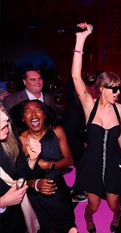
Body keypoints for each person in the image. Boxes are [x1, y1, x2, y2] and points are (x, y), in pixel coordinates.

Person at [71, 23, 121, 233]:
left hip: (114, 163)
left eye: (119, 89)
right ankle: (87, 220)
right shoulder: (89, 105)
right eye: (114, 89)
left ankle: (117, 216)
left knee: (114, 204)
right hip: (92, 164)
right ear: (102, 88)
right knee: (93, 206)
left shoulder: (120, 109)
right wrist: (81, 38)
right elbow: (76, 77)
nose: (118, 93)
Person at [15, 99, 77, 233]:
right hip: (36, 196)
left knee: (70, 226)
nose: (33, 114)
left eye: (38, 110)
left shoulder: (57, 131)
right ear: (23, 118)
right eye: (28, 111)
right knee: (47, 228)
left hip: (58, 188)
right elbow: (19, 176)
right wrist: (36, 184)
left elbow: (69, 160)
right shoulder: (21, 141)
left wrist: (49, 165)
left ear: (44, 114)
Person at [0, 104, 28, 233]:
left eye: (2, 110)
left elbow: (21, 169)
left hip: (16, 217)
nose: (6, 117)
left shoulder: (10, 138)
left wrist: (32, 160)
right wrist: (2, 202)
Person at [62, 80, 87, 202]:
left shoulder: (77, 104)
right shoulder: (74, 107)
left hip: (75, 141)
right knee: (81, 165)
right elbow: (72, 131)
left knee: (81, 165)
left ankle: (77, 190)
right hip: (74, 142)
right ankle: (77, 192)